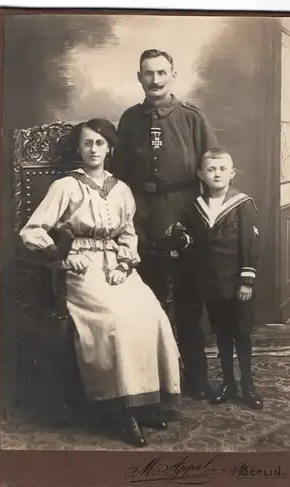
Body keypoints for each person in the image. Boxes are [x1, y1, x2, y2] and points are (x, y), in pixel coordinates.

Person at [19, 118, 181, 447]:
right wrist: (60, 255)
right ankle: (117, 411)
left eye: (99, 143)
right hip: (82, 269)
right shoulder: (65, 186)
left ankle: (144, 401)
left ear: (110, 148)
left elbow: (128, 234)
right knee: (116, 321)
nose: (93, 149)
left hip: (115, 268)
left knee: (152, 314)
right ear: (78, 149)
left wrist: (124, 263)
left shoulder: (120, 189)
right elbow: (31, 231)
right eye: (87, 143)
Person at [111, 48, 218, 400]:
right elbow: (120, 175)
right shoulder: (129, 120)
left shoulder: (191, 118)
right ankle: (153, 381)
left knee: (188, 301)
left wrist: (203, 219)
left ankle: (197, 378)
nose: (155, 80)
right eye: (147, 73)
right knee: (147, 302)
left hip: (184, 212)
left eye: (161, 72)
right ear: (138, 77)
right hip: (141, 216)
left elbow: (211, 170)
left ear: (173, 74)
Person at [179, 148, 263, 409]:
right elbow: (191, 241)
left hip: (237, 283)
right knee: (222, 335)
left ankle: (247, 385)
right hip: (211, 284)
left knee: (242, 334)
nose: (217, 174)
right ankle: (228, 383)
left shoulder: (242, 204)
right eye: (211, 169)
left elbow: (249, 242)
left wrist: (246, 280)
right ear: (201, 174)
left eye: (222, 169)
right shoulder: (195, 207)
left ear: (231, 173)